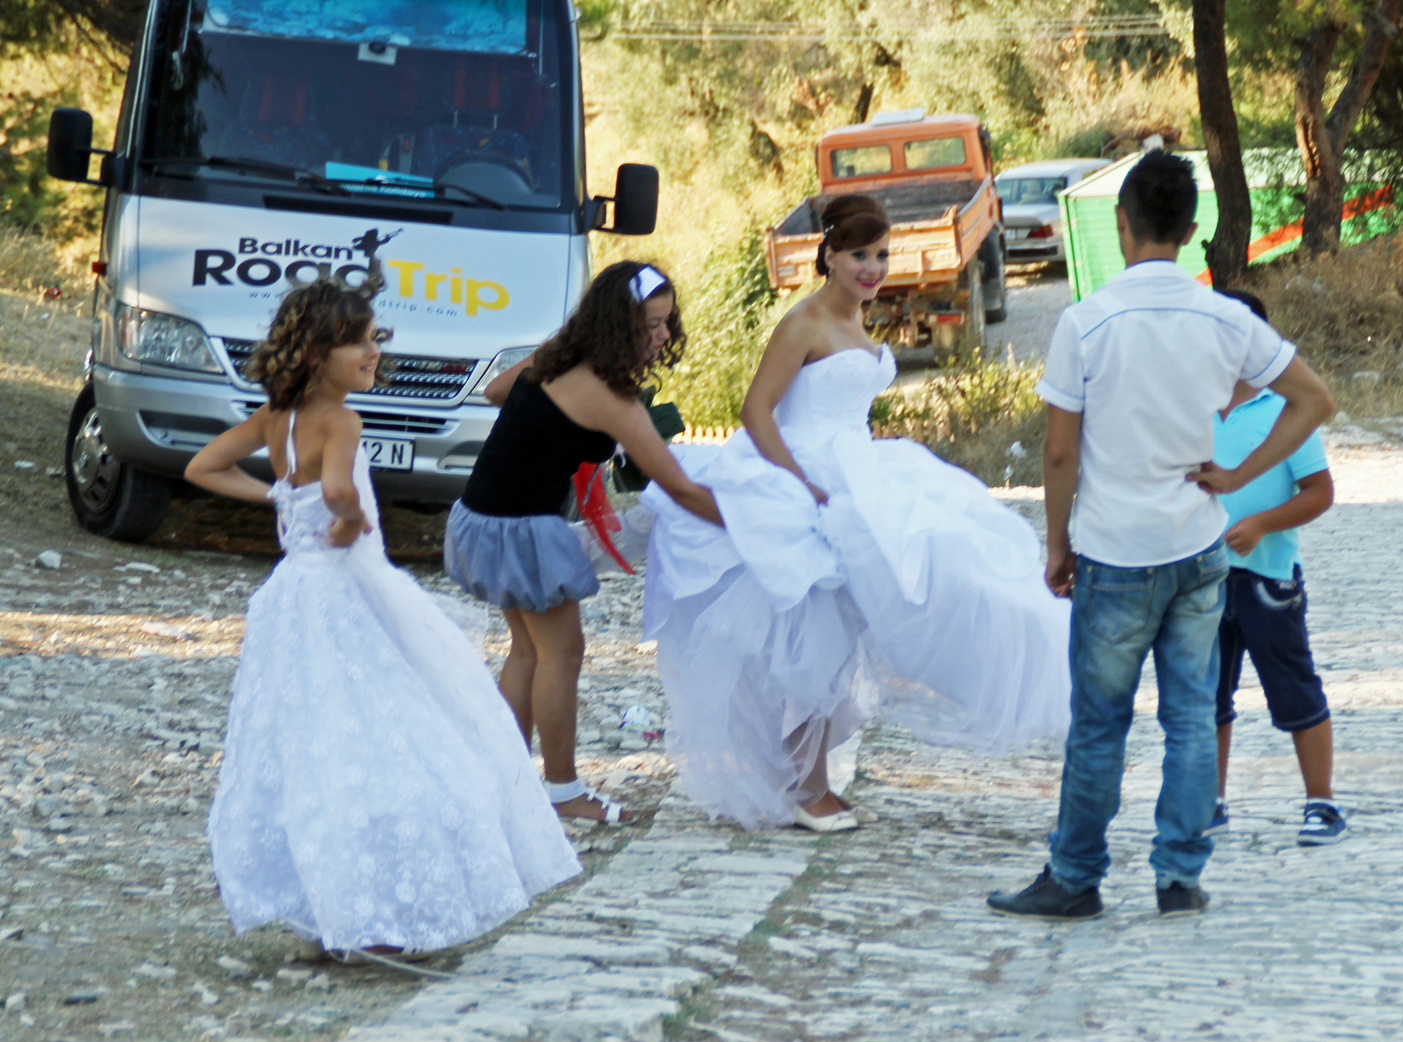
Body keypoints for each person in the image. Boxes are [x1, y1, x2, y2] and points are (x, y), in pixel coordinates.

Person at [641, 194, 1072, 833]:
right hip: (806, 481)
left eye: (881, 255)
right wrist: (797, 483)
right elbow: (757, 411)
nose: (872, 268)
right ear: (830, 257)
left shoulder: (860, 320)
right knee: (818, 636)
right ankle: (804, 785)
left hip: (860, 472)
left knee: (930, 571)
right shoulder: (805, 323)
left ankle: (813, 776)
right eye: (858, 256)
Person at [987, 150, 1336, 921]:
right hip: (1199, 550)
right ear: (1191, 228)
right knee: (1188, 716)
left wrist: (1056, 545)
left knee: (1101, 723)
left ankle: (1075, 877)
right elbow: (1313, 399)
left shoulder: (1085, 322)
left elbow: (1058, 450)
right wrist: (1239, 478)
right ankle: (1179, 876)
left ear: (1120, 225)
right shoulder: (1224, 319)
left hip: (1114, 552)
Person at [186, 280, 580, 958]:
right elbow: (339, 488)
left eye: (375, 338)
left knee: (316, 741)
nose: (375, 351)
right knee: (396, 722)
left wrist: (277, 494)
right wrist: (347, 515)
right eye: (361, 341)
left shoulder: (273, 418)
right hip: (348, 592)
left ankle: (331, 905)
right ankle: (381, 907)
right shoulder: (342, 421)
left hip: (292, 596)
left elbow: (201, 466)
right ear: (318, 353)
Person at [444, 261, 723, 825]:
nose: (663, 337)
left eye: (666, 323)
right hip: (523, 531)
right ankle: (563, 791)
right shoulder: (609, 398)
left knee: (527, 652)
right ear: (618, 326)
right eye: (650, 325)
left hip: (481, 516)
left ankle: (508, 780)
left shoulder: (558, 353)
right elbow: (679, 486)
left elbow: (497, 390)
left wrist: (551, 426)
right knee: (561, 654)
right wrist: (753, 519)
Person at [1208, 289, 1344, 846]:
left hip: (1268, 578)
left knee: (1293, 688)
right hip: (1202, 579)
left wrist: (1262, 523)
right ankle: (1209, 801)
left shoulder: (1289, 410)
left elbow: (1320, 492)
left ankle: (1322, 802)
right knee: (1206, 694)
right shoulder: (1189, 407)